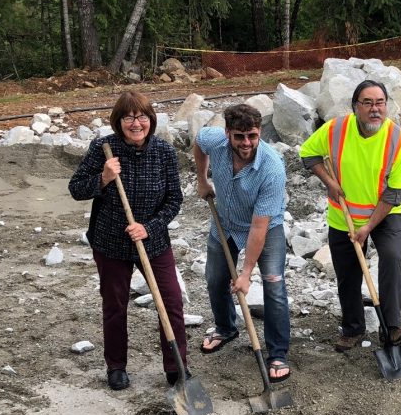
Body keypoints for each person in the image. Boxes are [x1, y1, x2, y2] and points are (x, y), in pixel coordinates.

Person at [69, 91, 186, 391]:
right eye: (129, 117)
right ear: (119, 121)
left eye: (142, 116)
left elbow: (174, 199)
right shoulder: (103, 148)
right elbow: (76, 189)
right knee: (115, 305)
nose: (137, 123)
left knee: (171, 302)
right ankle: (116, 367)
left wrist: (150, 227)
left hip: (154, 241)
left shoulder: (163, 151)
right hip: (110, 243)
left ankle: (177, 367)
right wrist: (104, 178)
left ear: (151, 120)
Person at [299, 80, 401, 352]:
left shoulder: (399, 141)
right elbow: (308, 154)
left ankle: (392, 326)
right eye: (368, 103)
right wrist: (329, 181)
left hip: (384, 215)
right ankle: (352, 328)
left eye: (380, 103)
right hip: (343, 215)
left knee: (390, 258)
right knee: (347, 273)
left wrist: (368, 227)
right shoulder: (336, 129)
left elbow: (396, 193)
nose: (375, 109)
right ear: (355, 107)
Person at [194, 104, 291, 383]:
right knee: (215, 279)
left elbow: (259, 226)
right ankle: (226, 328)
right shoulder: (215, 141)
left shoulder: (272, 167)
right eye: (239, 136)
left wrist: (247, 273)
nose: (246, 143)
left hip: (265, 228)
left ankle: (278, 352)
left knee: (273, 283)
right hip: (225, 222)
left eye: (252, 135)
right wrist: (202, 179)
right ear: (228, 134)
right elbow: (198, 143)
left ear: (259, 132)